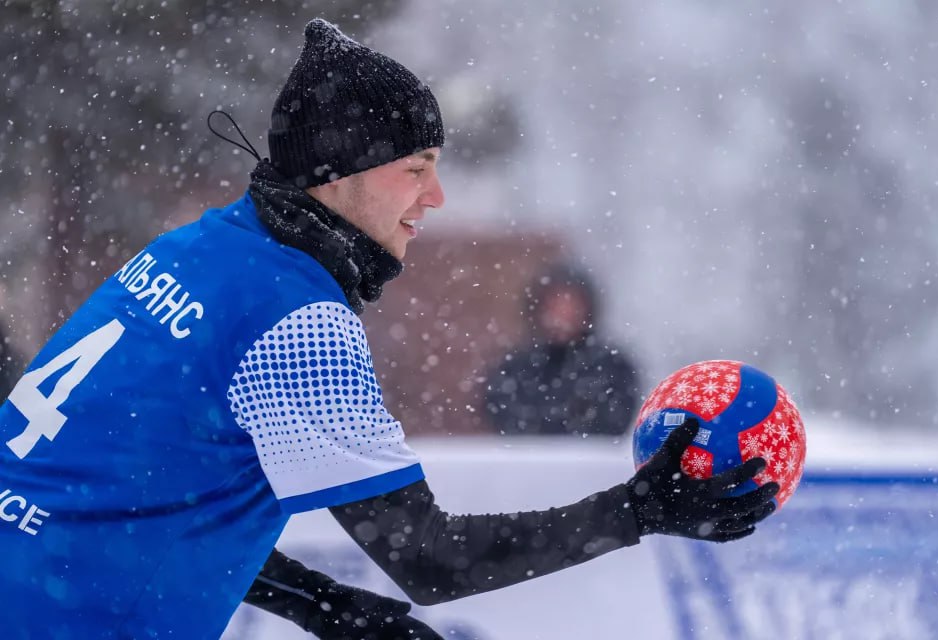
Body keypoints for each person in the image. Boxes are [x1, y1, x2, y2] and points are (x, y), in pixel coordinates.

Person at [0, 19, 779, 639]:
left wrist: (322, 604)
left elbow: (132, 495)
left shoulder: (197, 251)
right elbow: (431, 560)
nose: (435, 195)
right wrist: (640, 509)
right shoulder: (297, 321)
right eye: (416, 166)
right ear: (338, 173)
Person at [484, 262, 643, 436]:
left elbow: (613, 422)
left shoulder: (613, 366)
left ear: (588, 309)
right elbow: (505, 418)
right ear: (538, 309)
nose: (562, 314)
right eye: (554, 305)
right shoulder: (514, 368)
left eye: (571, 305)